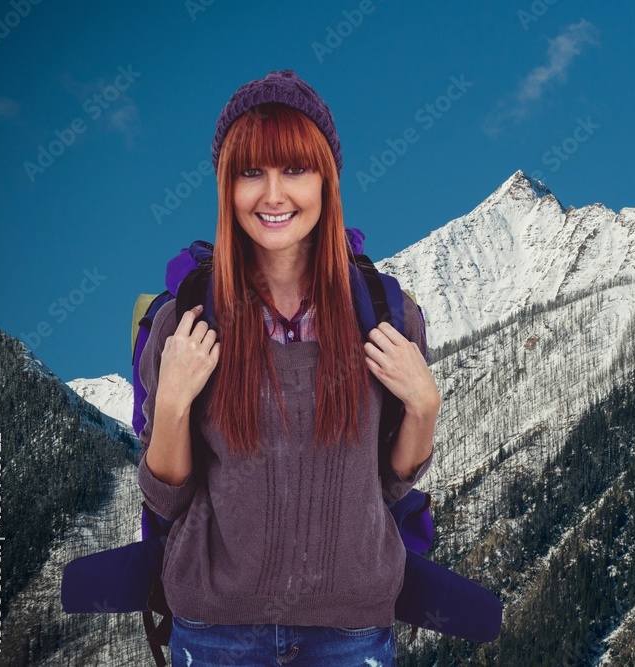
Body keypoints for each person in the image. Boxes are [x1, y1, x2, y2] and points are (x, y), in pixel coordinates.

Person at [136, 69, 440, 666]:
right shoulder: (188, 319)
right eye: (251, 173)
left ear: (327, 181)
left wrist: (424, 407)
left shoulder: (386, 314)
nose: (273, 195)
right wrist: (171, 402)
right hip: (216, 630)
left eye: (295, 170)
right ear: (227, 188)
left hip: (353, 634)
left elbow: (386, 484)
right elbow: (167, 501)